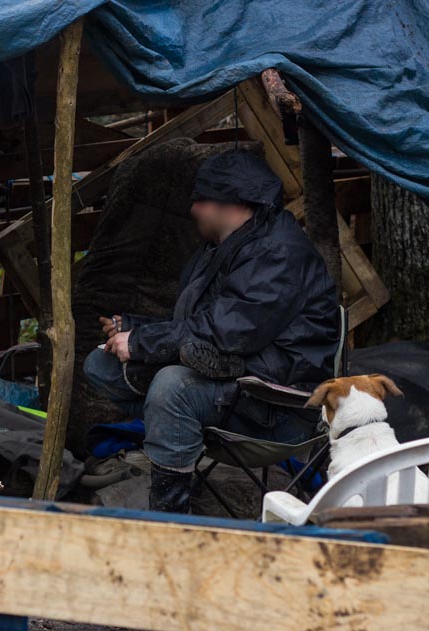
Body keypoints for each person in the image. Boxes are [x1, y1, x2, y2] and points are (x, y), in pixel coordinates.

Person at [83, 150, 340, 513]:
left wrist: (143, 342)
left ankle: (172, 517)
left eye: (200, 200)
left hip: (274, 402)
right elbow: (203, 322)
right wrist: (135, 330)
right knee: (101, 365)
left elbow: (229, 332)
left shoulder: (277, 253)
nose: (193, 210)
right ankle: (175, 432)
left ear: (231, 202)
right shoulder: (222, 249)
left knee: (172, 387)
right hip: (233, 377)